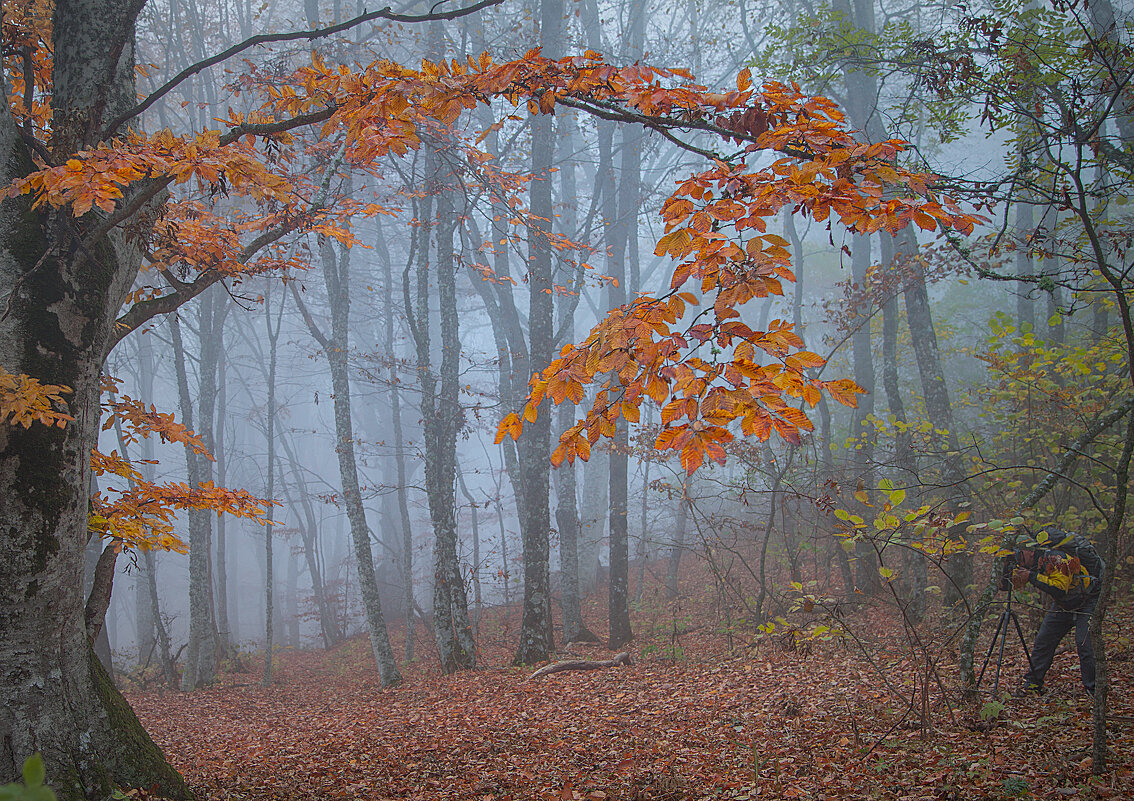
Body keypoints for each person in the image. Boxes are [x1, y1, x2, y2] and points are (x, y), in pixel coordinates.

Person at [1010, 530, 1105, 697]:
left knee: (1085, 646)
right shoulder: (1034, 564)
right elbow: (1009, 585)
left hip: (1086, 601)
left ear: (1030, 551)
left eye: (1020, 553)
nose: (1018, 559)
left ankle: (1094, 690)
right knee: (1043, 641)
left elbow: (1060, 588)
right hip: (1063, 605)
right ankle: (1033, 684)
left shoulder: (1056, 558)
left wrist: (1031, 576)